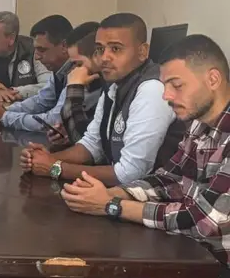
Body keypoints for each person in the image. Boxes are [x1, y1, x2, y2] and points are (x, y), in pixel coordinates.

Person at [61, 34, 230, 278]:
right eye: (165, 85)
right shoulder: (199, 125)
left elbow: (207, 220)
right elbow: (170, 178)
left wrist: (111, 205)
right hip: (194, 252)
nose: (166, 96)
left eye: (177, 85)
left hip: (220, 265)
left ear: (213, 79)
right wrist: (115, 193)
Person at [20, 13, 182, 186]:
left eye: (116, 49)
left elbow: (131, 173)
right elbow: (92, 144)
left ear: (142, 52)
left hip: (156, 195)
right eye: (100, 49)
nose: (104, 57)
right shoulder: (115, 85)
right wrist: (45, 157)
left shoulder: (152, 89)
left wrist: (55, 167)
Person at [0, 15, 73, 130]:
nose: (36, 57)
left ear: (64, 46)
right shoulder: (60, 70)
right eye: (36, 49)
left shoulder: (79, 72)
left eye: (42, 50)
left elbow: (54, 121)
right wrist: (4, 110)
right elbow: (40, 102)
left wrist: (5, 117)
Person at [47, 22, 105, 148]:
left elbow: (80, 138)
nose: (73, 70)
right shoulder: (95, 85)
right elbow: (85, 136)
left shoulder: (108, 89)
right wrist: (67, 135)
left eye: (78, 64)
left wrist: (74, 88)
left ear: (97, 57)